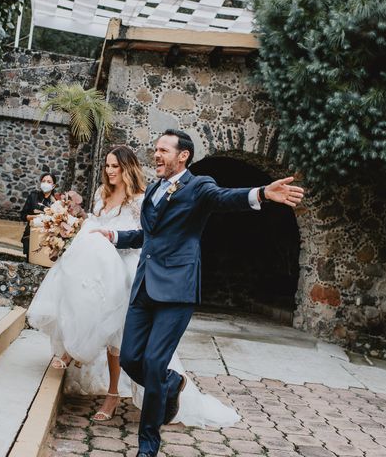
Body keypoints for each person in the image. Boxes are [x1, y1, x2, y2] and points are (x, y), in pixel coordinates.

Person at [93, 129, 305, 457]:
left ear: (183, 156)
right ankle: (171, 383)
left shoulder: (199, 186)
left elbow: (226, 198)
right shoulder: (152, 188)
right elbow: (148, 235)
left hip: (177, 290)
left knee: (152, 363)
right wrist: (115, 237)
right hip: (145, 285)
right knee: (132, 358)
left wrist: (262, 193)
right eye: (156, 149)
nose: (157, 154)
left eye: (164, 150)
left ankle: (147, 445)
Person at [27, 146, 240, 425]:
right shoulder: (100, 194)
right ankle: (71, 349)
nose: (109, 171)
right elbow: (93, 225)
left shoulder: (141, 199)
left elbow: (143, 235)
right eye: (107, 165)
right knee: (81, 304)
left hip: (125, 268)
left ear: (128, 168)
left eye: (115, 166)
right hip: (97, 269)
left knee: (116, 336)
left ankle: (113, 394)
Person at [20, 172, 58, 257]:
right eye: (43, 181)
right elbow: (23, 216)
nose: (45, 183)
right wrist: (37, 217)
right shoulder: (33, 196)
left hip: (47, 240)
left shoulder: (55, 202)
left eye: (49, 182)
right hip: (30, 236)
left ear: (53, 186)